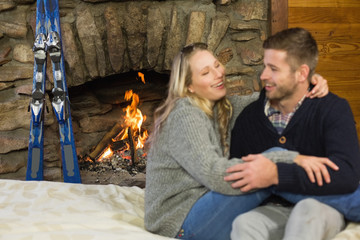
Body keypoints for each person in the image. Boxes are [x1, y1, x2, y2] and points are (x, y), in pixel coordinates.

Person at [144, 42, 329, 240]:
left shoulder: (221, 107)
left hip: (206, 205)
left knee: (267, 173)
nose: (218, 73)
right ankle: (347, 202)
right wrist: (286, 158)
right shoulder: (185, 113)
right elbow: (215, 174)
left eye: (216, 65)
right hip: (179, 221)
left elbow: (265, 100)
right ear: (189, 86)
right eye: (206, 72)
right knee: (264, 169)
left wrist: (306, 81)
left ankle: (331, 200)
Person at [227, 27, 360, 239]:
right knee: (245, 224)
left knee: (306, 211)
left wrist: (277, 174)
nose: (263, 76)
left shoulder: (333, 109)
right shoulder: (248, 119)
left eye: (274, 69)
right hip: (274, 208)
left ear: (302, 73)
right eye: (264, 66)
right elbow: (239, 174)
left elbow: (347, 174)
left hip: (320, 205)